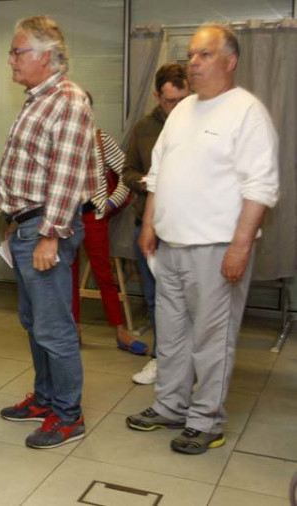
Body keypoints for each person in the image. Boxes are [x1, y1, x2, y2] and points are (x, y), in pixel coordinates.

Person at [126, 24, 278, 455]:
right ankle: (171, 405)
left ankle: (206, 419)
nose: (193, 62)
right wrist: (151, 225)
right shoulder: (183, 111)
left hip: (217, 248)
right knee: (171, 337)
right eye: (191, 54)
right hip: (170, 247)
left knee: (213, 340)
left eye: (205, 55)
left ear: (229, 61)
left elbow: (260, 188)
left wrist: (241, 246)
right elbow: (158, 175)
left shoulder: (246, 112)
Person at [0, 16, 98, 449]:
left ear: (44, 56)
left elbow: (67, 175)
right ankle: (45, 398)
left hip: (46, 226)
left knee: (54, 327)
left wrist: (51, 234)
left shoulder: (68, 99)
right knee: (33, 321)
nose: (11, 59)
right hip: (26, 225)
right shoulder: (37, 99)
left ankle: (68, 415)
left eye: (17, 52)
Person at [121, 63, 190, 385]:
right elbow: (128, 171)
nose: (175, 107)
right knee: (155, 298)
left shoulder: (198, 124)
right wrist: (149, 183)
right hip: (147, 225)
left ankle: (187, 365)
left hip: (188, 229)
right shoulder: (144, 128)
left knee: (188, 301)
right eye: (168, 101)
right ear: (157, 96)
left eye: (181, 99)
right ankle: (160, 360)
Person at [70, 92, 142, 353]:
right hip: (66, 218)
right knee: (67, 276)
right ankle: (73, 329)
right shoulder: (61, 140)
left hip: (92, 217)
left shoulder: (102, 140)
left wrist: (110, 203)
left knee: (104, 276)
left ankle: (120, 331)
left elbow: (127, 174)